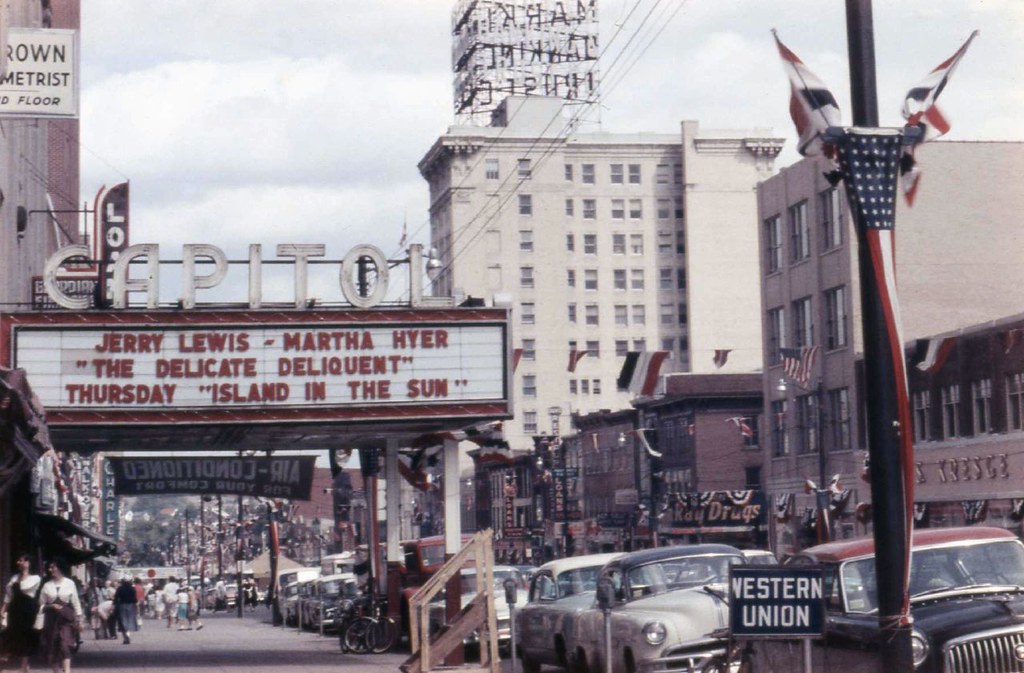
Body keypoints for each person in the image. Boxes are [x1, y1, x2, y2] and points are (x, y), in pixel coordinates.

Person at [38, 560, 83, 673]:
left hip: (66, 618)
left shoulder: (69, 583)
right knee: (52, 649)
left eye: (53, 567)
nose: (50, 570)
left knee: (65, 645)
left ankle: (67, 670)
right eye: (50, 568)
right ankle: (56, 670)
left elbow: (76, 602)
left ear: (59, 568)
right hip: (51, 620)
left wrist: (79, 619)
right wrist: (51, 606)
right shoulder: (47, 585)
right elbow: (40, 605)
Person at [1, 554, 41, 673]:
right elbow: (8, 595)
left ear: (28, 563)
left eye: (22, 560)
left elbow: (23, 588)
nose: (19, 562)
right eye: (18, 561)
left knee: (26, 635)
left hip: (27, 609)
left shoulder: (35, 578)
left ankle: (24, 665)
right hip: (15, 609)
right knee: (10, 632)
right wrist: (3, 610)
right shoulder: (14, 578)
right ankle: (6, 658)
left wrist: (18, 581)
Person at [112, 578, 136, 644]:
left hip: (122, 605)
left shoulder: (120, 589)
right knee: (129, 621)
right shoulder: (132, 589)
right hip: (131, 606)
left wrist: (114, 605)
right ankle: (128, 635)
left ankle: (125, 637)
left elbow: (116, 598)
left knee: (123, 621)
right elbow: (135, 598)